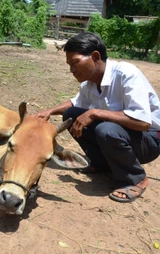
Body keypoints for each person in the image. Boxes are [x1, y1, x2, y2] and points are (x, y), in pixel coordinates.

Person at [33, 31, 160, 203]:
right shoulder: (89, 83)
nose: (72, 70)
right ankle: (102, 164)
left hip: (149, 140)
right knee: (71, 115)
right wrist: (49, 111)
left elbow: (143, 122)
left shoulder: (126, 73)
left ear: (95, 56)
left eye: (75, 63)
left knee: (106, 129)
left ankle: (135, 178)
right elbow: (75, 103)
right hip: (123, 135)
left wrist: (95, 112)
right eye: (69, 65)